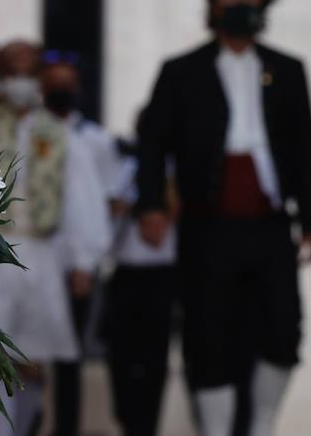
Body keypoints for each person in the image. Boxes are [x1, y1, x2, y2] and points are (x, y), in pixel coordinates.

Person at [135, 0, 311, 436]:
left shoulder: (288, 70)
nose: (240, 0)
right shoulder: (180, 72)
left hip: (269, 224)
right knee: (207, 335)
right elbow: (152, 145)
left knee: (284, 330)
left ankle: (261, 424)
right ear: (213, 1)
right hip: (206, 225)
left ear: (263, 1)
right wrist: (151, 206)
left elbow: (304, 150)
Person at [0, 53, 112, 436]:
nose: (20, 82)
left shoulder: (57, 133)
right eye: (12, 73)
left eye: (27, 74)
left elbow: (80, 197)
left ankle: (23, 428)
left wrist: (84, 261)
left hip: (43, 255)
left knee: (32, 359)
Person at [39, 51, 116, 436]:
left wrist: (86, 263)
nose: (61, 90)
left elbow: (98, 206)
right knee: (25, 359)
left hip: (75, 272)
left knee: (69, 363)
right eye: (54, 82)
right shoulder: (26, 135)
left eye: (67, 82)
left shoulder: (95, 141)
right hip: (33, 267)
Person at [105, 109, 179, 436]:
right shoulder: (126, 167)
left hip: (162, 275)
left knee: (155, 360)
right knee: (120, 355)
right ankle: (127, 419)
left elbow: (172, 216)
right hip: (126, 273)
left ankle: (147, 426)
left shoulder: (175, 169)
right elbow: (113, 207)